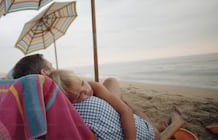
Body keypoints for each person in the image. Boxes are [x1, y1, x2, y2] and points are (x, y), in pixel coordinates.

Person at [12, 54, 184, 140]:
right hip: (131, 122)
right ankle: (164, 125)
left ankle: (155, 125)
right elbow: (123, 110)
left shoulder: (38, 106)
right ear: (45, 72)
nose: (83, 93)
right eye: (51, 65)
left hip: (115, 107)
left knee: (115, 92)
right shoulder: (71, 96)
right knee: (120, 98)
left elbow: (122, 110)